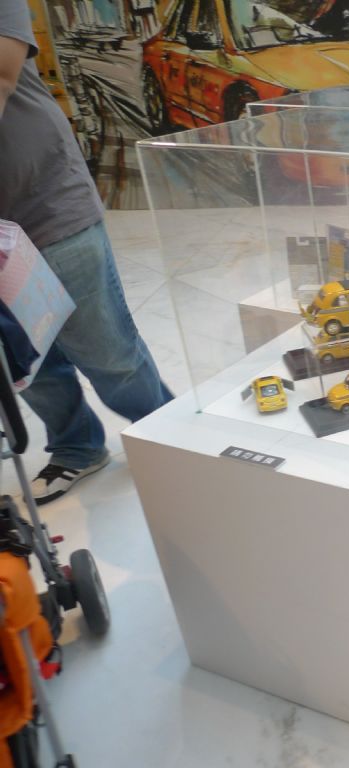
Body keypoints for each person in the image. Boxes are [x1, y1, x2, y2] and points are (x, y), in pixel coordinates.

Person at [1, 0, 172, 504]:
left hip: (47, 204)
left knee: (107, 350)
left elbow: (2, 77)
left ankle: (167, 436)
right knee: (29, 365)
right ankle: (77, 447)